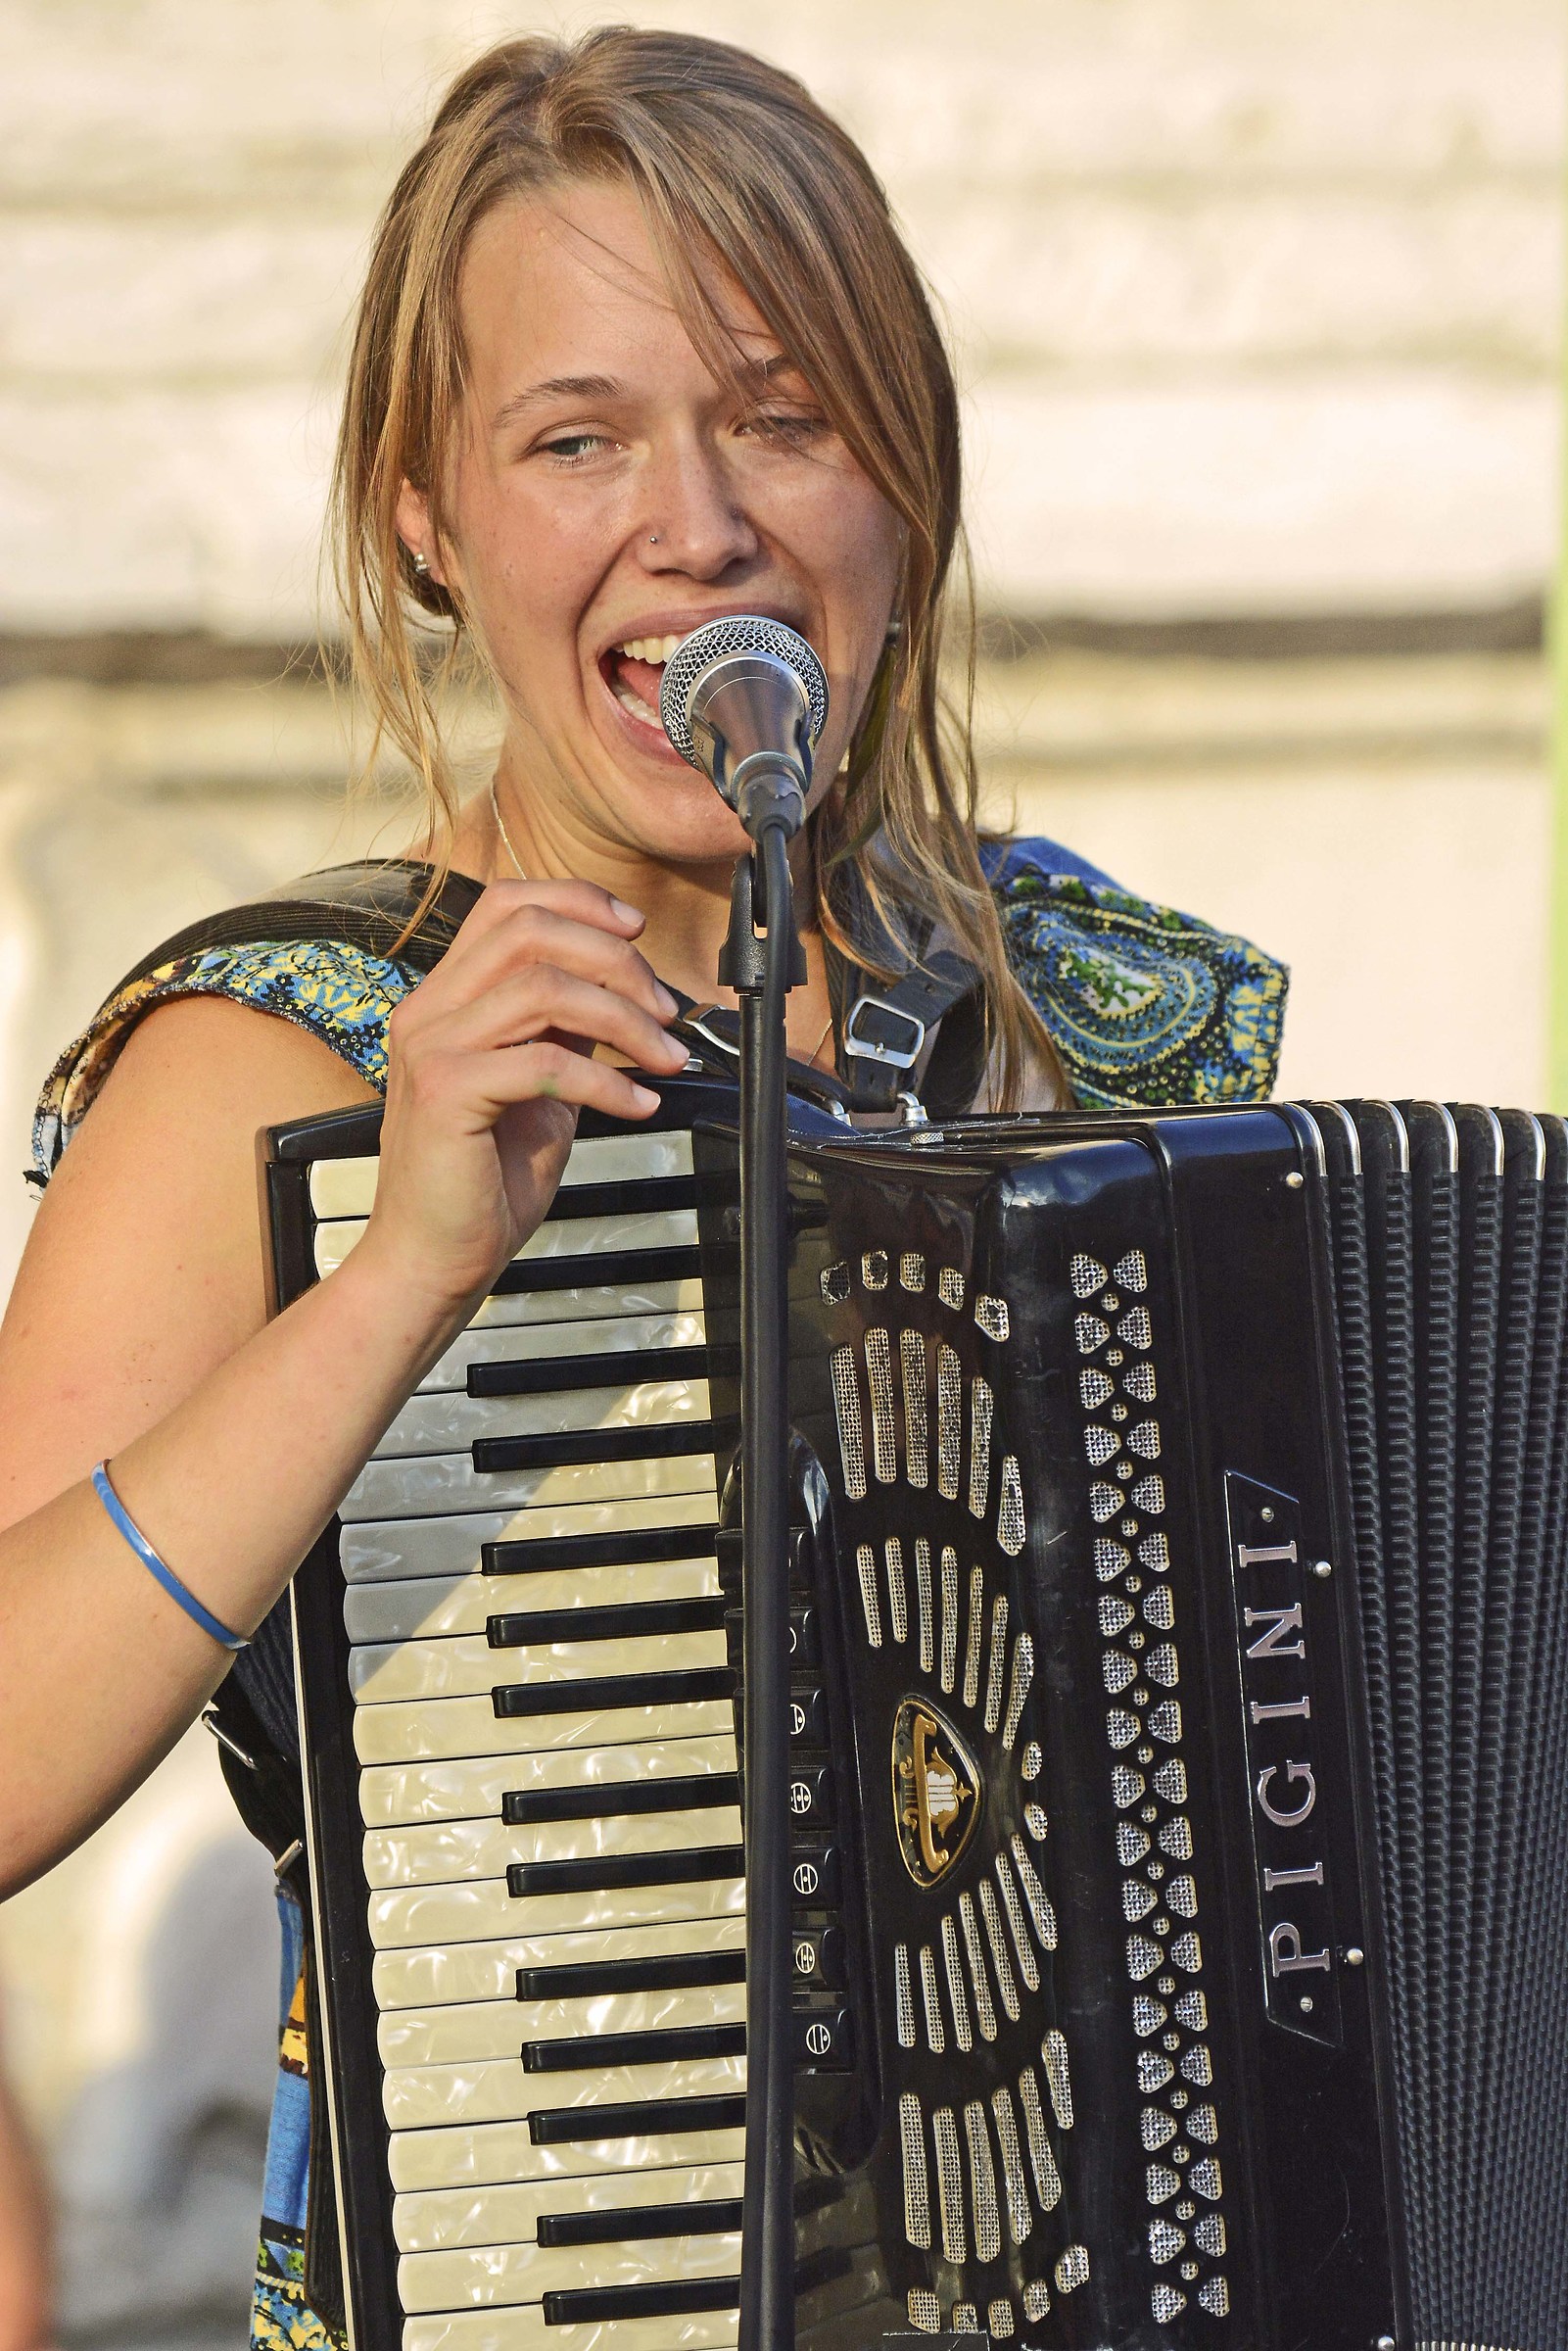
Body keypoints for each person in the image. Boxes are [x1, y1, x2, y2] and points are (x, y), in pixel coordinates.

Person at [0, 28, 1287, 2346]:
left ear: (906, 488)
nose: (694, 525)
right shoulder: (264, 1056)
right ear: (427, 517)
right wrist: (393, 1277)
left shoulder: (1110, 1038)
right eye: (575, 439)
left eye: (783, 420)